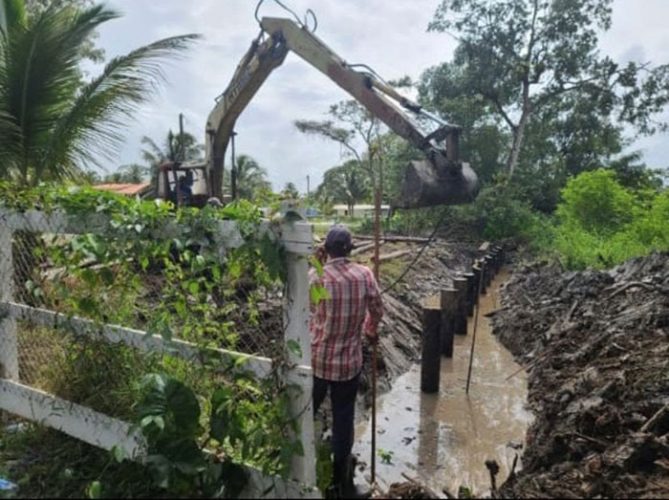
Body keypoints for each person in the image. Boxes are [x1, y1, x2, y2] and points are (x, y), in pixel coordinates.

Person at [309, 225, 383, 498]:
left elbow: (312, 306)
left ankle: (299, 466)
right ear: (349, 249)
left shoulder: (317, 277)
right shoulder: (364, 275)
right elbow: (377, 310)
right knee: (343, 419)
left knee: (308, 410)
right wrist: (370, 331)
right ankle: (341, 484)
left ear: (326, 249)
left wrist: (318, 261)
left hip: (317, 359)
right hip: (348, 363)